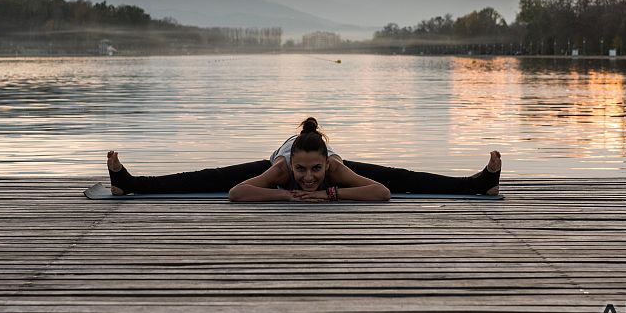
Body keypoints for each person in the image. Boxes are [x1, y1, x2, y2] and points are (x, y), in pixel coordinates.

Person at [106, 117, 501, 202]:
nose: (308, 177)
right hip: (273, 163)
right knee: (201, 178)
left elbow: (382, 192)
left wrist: (332, 194)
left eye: (314, 170)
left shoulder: (333, 169)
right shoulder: (281, 170)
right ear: (290, 166)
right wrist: (288, 195)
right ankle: (130, 182)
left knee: (408, 177)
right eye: (303, 171)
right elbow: (235, 192)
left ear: (325, 163)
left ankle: (478, 183)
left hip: (334, 169)